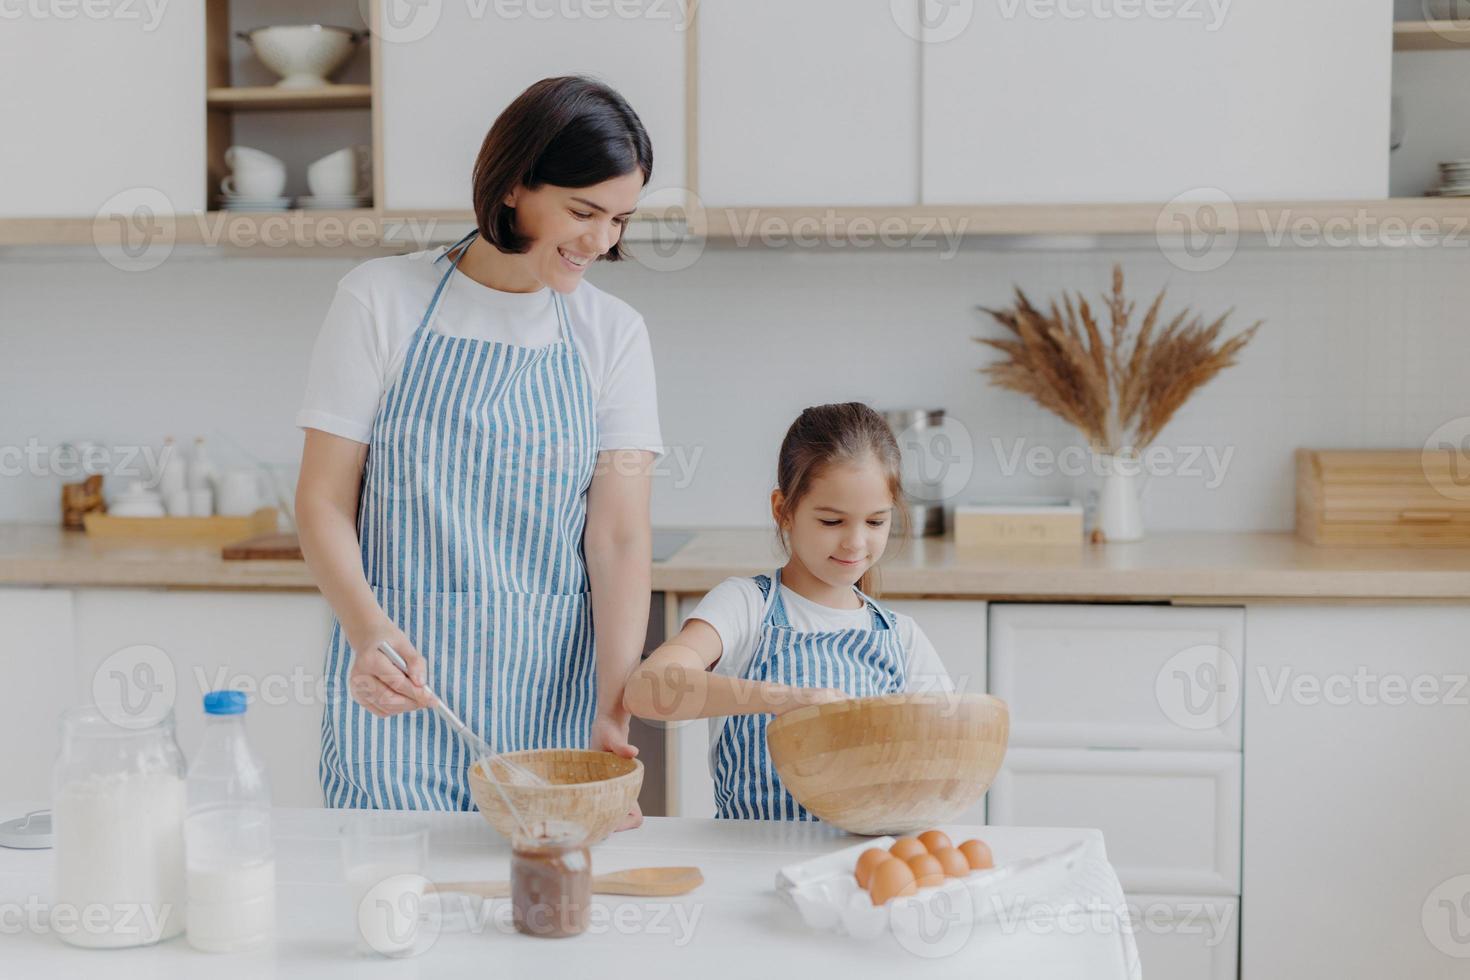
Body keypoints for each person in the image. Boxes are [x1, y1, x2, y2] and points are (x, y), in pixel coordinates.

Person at [294, 77, 661, 824]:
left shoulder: (613, 333)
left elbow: (619, 537)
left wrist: (614, 711)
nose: (601, 242)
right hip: (397, 701)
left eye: (620, 218)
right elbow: (324, 499)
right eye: (583, 211)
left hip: (550, 711)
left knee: (540, 920)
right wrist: (368, 633)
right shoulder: (381, 298)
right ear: (516, 185)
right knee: (396, 911)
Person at [623, 403, 952, 821]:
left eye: (875, 522)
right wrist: (781, 698)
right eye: (832, 521)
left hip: (852, 867)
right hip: (748, 859)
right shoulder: (745, 606)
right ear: (784, 510)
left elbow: (941, 755)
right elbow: (646, 690)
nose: (855, 542)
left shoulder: (900, 636)